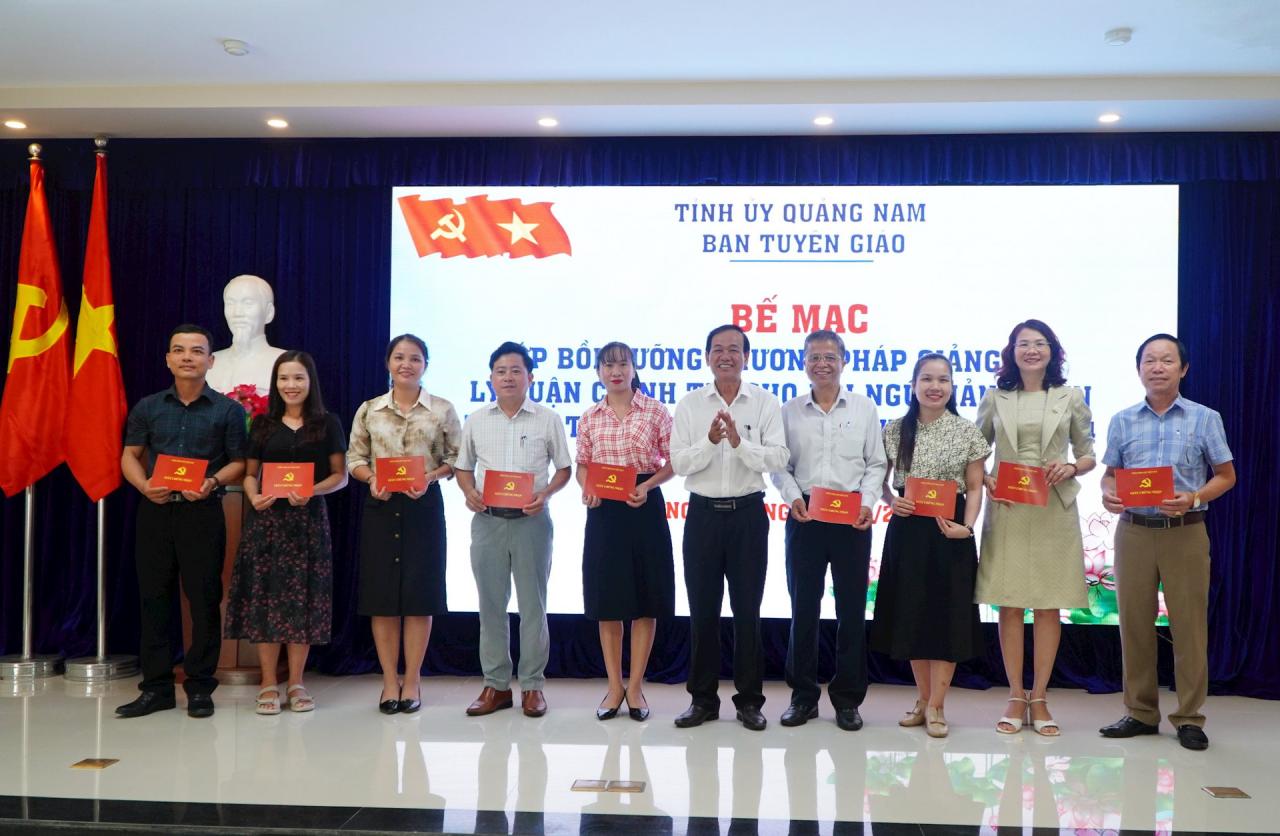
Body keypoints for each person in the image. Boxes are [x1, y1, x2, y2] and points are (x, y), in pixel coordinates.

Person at [1098, 334, 1235, 751]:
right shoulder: (1123, 420)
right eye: (1149, 361)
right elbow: (1110, 474)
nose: (1157, 367)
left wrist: (1193, 497)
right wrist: (1108, 493)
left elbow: (1226, 476)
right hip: (1134, 532)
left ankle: (1190, 717)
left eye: (1166, 360)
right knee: (1134, 625)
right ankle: (1140, 712)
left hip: (1186, 532)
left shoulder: (1204, 417)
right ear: (1139, 369)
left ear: (1183, 369)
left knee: (1189, 628)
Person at [116, 324, 247, 719]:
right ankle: (156, 688)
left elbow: (239, 462)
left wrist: (212, 482)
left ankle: (200, 687)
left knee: (204, 599)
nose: (187, 357)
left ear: (211, 360)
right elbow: (130, 454)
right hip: (155, 511)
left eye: (196, 351)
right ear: (168, 359)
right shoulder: (148, 407)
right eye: (179, 350)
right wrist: (143, 486)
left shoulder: (229, 410)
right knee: (153, 599)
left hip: (202, 512)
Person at [974, 320, 1095, 736]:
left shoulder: (1070, 397)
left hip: (1053, 507)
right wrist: (986, 480)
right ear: (1011, 352)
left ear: (1052, 351)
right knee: (1009, 603)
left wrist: (1072, 465)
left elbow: (1088, 453)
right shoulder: (995, 397)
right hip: (1009, 506)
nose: (1031, 350)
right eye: (1023, 344)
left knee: (1047, 605)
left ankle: (1040, 697)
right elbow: (977, 450)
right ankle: (1013, 695)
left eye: (1039, 343)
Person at [670, 324, 789, 731]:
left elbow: (778, 457)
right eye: (718, 349)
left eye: (734, 349)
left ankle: (750, 702)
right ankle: (702, 700)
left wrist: (738, 443)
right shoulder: (689, 405)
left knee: (747, 611)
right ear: (707, 357)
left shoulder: (765, 403)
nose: (726, 356)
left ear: (746, 357)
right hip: (702, 515)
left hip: (747, 516)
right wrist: (709, 441)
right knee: (702, 611)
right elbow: (681, 464)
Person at [770, 329, 886, 731]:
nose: (822, 363)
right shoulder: (788, 411)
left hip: (852, 520)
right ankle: (802, 698)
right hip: (805, 519)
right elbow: (778, 465)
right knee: (803, 609)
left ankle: (848, 699)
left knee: (851, 611)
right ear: (804, 362)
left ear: (843, 361)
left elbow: (876, 464)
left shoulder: (864, 408)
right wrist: (792, 498)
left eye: (830, 356)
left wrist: (869, 503)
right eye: (814, 356)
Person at [870, 353, 988, 738]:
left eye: (943, 380)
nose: (935, 386)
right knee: (912, 618)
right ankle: (922, 701)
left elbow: (973, 488)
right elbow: (882, 483)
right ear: (913, 385)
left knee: (947, 621)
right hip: (907, 533)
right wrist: (890, 501)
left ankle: (938, 706)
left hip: (949, 533)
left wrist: (966, 529)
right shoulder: (894, 430)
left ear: (952, 387)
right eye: (927, 379)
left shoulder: (967, 431)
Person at [223, 351, 348, 714]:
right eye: (284, 379)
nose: (291, 386)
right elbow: (249, 474)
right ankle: (267, 683)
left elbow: (339, 476)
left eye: (298, 378)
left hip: (308, 524)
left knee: (302, 602)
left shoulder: (327, 424)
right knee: (266, 599)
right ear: (276, 384)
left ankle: (296, 682)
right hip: (268, 523)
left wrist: (312, 490)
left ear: (310, 383)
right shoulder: (262, 424)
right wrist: (253, 495)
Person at [455, 341, 572, 718]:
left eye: (515, 371)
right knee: (490, 606)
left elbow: (565, 469)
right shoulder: (476, 419)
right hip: (488, 521)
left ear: (530, 377)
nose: (508, 377)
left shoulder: (547, 418)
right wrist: (469, 491)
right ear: (490, 378)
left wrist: (546, 493)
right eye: (501, 371)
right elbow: (462, 466)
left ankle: (533, 687)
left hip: (532, 522)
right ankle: (496, 686)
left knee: (533, 607)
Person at [348, 334, 461, 714]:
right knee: (382, 599)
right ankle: (388, 681)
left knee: (419, 596)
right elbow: (355, 458)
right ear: (388, 363)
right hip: (380, 507)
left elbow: (457, 459)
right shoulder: (369, 410)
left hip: (423, 508)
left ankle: (412, 679)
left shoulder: (442, 410)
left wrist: (429, 477)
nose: (406, 364)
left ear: (425, 365)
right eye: (399, 357)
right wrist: (371, 480)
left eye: (415, 358)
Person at [575, 341, 676, 722]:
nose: (615, 371)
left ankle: (635, 687)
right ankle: (614, 686)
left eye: (622, 364)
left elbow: (673, 461)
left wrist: (647, 487)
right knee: (608, 601)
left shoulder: (655, 410)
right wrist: (588, 487)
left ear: (634, 368)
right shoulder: (590, 416)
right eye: (607, 365)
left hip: (643, 504)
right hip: (604, 513)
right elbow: (583, 464)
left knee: (645, 598)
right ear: (599, 371)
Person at [207, 274, 286, 396]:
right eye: (230, 303)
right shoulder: (209, 363)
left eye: (248, 303)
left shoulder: (286, 362)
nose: (237, 313)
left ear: (269, 312)